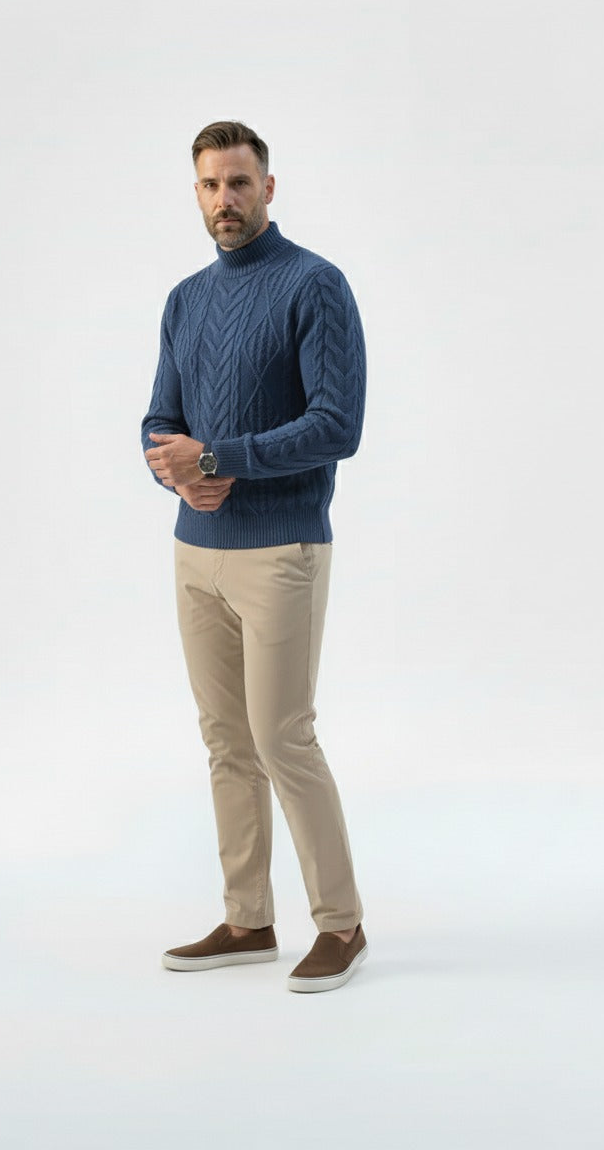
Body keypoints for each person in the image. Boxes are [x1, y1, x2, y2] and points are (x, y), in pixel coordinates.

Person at [141, 120, 367, 993]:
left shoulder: (315, 284)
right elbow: (159, 420)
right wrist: (177, 471)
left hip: (282, 550)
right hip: (194, 552)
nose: (224, 200)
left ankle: (341, 926)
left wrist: (217, 460)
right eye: (210, 185)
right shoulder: (184, 299)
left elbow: (336, 426)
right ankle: (248, 919)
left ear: (268, 188)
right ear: (196, 193)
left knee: (283, 739)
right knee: (226, 743)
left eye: (239, 183)